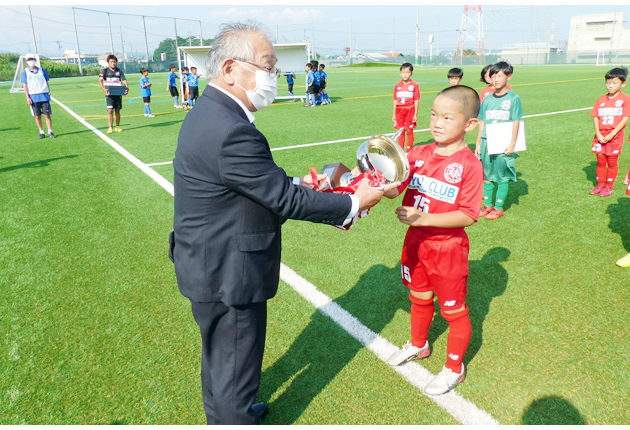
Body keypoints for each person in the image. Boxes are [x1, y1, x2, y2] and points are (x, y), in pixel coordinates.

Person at [171, 21, 395, 425]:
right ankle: (233, 416)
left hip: (206, 260)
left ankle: (230, 410)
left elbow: (254, 182)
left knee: (222, 357)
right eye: (267, 66)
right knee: (234, 358)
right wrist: (353, 202)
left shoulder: (211, 112)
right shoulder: (231, 130)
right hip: (228, 271)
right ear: (230, 70)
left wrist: (300, 182)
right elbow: (283, 199)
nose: (273, 76)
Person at [384, 85, 483, 395]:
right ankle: (418, 345)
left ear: (469, 124)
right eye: (433, 115)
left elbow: (468, 214)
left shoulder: (469, 165)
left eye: (447, 117)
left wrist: (423, 218)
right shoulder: (418, 153)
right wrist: (381, 180)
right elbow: (393, 189)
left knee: (454, 312)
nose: (437, 123)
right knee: (419, 296)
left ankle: (455, 367)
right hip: (416, 242)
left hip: (447, 248)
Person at [475, 61, 523, 220]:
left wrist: (512, 144)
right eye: (493, 75)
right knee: (487, 176)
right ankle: (487, 205)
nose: (495, 79)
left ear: (508, 76)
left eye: (499, 75)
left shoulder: (513, 98)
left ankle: (498, 207)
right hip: (487, 142)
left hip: (503, 143)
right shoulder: (487, 99)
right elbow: (482, 121)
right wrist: (478, 143)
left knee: (502, 176)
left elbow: (516, 122)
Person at [588, 67, 630, 197]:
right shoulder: (600, 99)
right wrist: (598, 133)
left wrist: (612, 134)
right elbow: (595, 117)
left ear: (623, 84)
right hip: (600, 136)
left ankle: (609, 186)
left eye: (614, 83)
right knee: (600, 160)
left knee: (611, 161)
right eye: (608, 82)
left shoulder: (625, 99)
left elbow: (625, 118)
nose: (610, 86)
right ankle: (600, 184)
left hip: (615, 136)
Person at [21, 53, 56, 139]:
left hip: (44, 95)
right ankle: (41, 132)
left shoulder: (42, 70)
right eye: (29, 60)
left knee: (47, 115)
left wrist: (48, 92)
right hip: (33, 97)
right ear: (26, 61)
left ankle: (50, 131)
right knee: (37, 116)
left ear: (35, 60)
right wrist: (27, 97)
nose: (31, 61)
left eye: (32, 59)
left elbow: (46, 82)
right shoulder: (24, 72)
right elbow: (25, 85)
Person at [393, 62, 420, 153]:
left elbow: (416, 100)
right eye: (403, 72)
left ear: (411, 73)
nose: (405, 74)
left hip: (410, 110)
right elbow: (395, 100)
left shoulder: (414, 85)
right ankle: (401, 150)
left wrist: (415, 114)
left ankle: (408, 151)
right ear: (400, 73)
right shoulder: (397, 85)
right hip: (399, 110)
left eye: (407, 72)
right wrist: (394, 114)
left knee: (409, 130)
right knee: (401, 131)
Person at [98, 54, 129, 134]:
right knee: (110, 110)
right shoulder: (105, 71)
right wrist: (104, 89)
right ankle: (110, 127)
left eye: (114, 62)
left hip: (117, 94)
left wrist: (127, 87)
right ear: (108, 62)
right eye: (111, 62)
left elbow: (124, 80)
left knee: (117, 110)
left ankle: (117, 126)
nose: (113, 63)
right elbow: (100, 81)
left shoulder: (119, 71)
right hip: (109, 95)